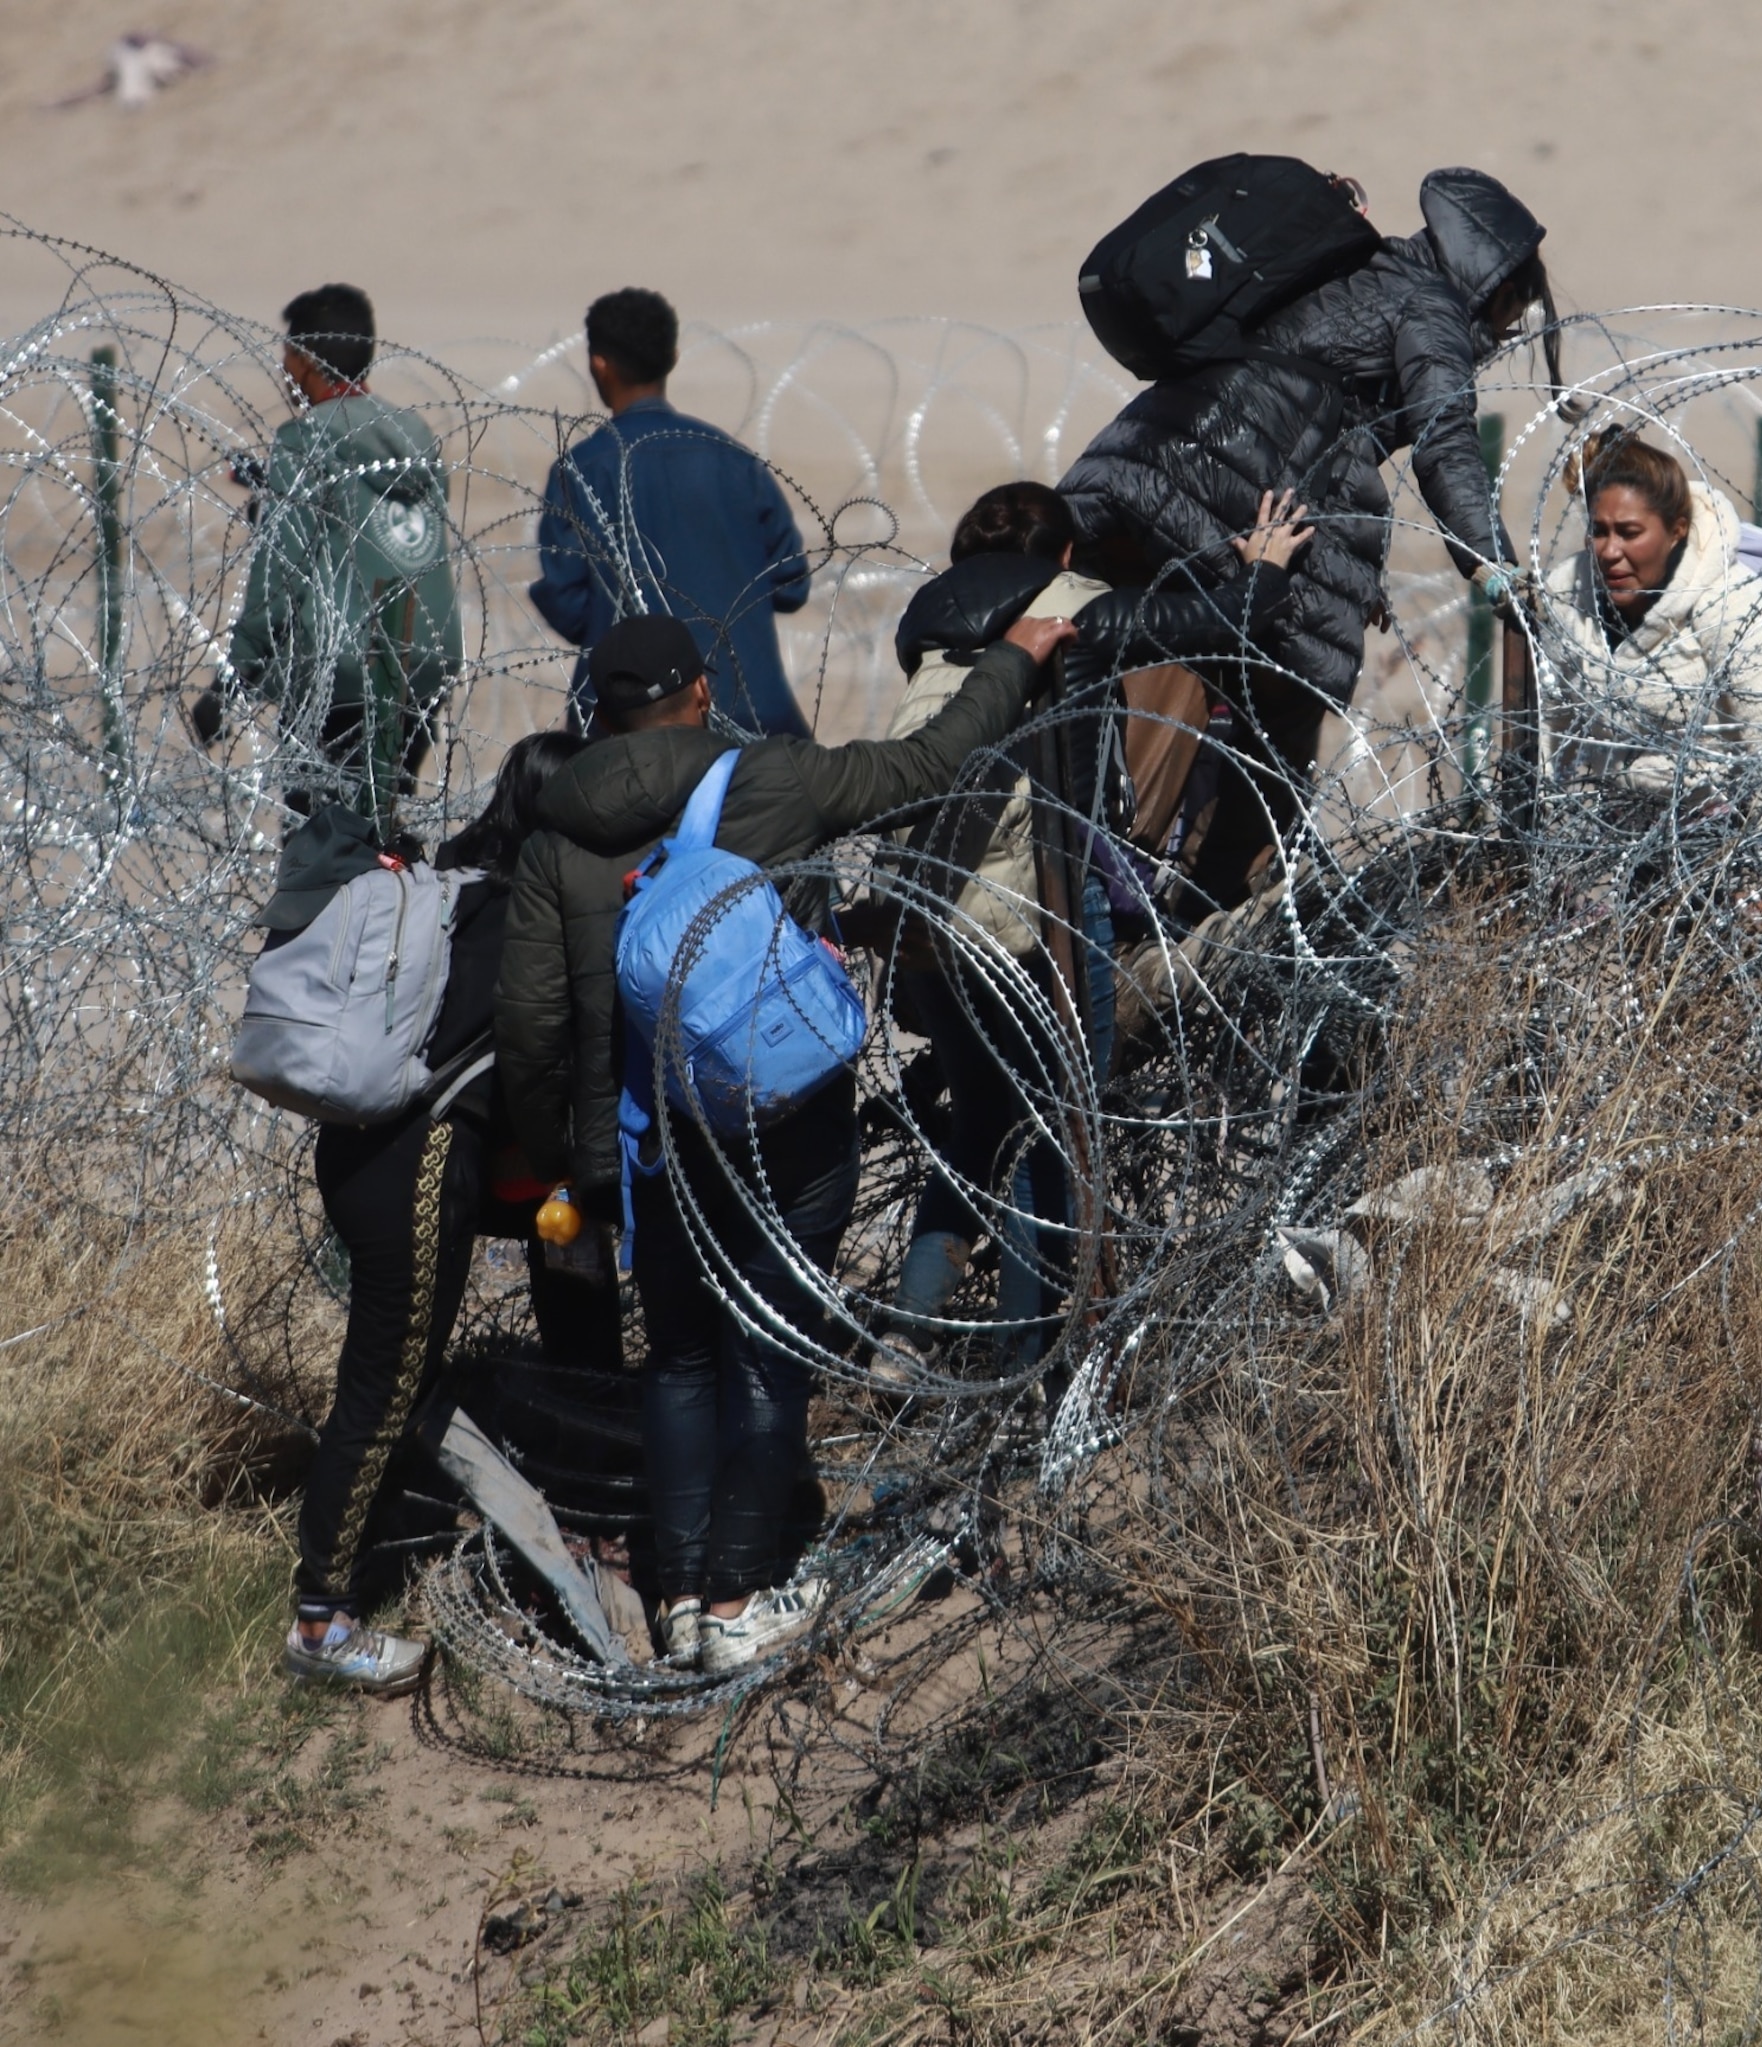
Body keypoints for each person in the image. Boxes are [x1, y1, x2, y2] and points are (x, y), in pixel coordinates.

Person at [495, 610, 1069, 1671]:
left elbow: (532, 1023)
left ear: (602, 714)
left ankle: (678, 1596)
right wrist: (1014, 657)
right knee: (767, 1354)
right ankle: (738, 1601)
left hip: (648, 1134)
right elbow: (935, 760)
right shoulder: (776, 780)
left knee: (674, 1360)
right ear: (702, 693)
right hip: (784, 1126)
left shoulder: (556, 836)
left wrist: (574, 1163)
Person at [875, 481, 1314, 1379]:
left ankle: (905, 1336)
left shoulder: (934, 630)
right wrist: (1263, 568)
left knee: (979, 1125)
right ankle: (1021, 1370)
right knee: (1047, 1135)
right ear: (1067, 559)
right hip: (1029, 931)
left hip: (922, 920)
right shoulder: (1070, 607)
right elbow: (1226, 625)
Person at [1058, 168, 1554, 913]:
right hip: (1226, 494)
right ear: (1495, 282)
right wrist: (1491, 568)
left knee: (1131, 663)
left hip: (1150, 453)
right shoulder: (1432, 309)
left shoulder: (1363, 272)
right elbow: (1446, 445)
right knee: (1263, 695)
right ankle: (1160, 917)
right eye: (1518, 307)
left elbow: (1310, 424)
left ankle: (1097, 880)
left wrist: (1354, 570)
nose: (1514, 330)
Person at [280, 729, 581, 1696]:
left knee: (384, 1380)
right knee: (381, 1390)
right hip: (417, 1167)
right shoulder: (528, 907)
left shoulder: (452, 875)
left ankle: (346, 1578)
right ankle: (321, 1622)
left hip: (358, 1150)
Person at [203, 283, 463, 906]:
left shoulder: (305, 440)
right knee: (382, 833)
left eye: (286, 358)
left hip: (338, 670)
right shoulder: (413, 435)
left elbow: (280, 570)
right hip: (424, 665)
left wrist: (232, 683)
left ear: (304, 361)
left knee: (317, 852)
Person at [530, 289, 814, 739]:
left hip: (629, 725)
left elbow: (566, 602)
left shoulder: (583, 470)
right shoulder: (733, 460)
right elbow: (791, 583)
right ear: (674, 356)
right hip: (755, 718)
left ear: (599, 363)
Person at [1529, 431, 1762, 795]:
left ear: (1676, 531)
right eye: (1599, 532)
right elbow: (1550, 731)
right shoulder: (1568, 591)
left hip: (1721, 833)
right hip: (1604, 836)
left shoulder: (1735, 605)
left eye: (1629, 533)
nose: (1610, 551)